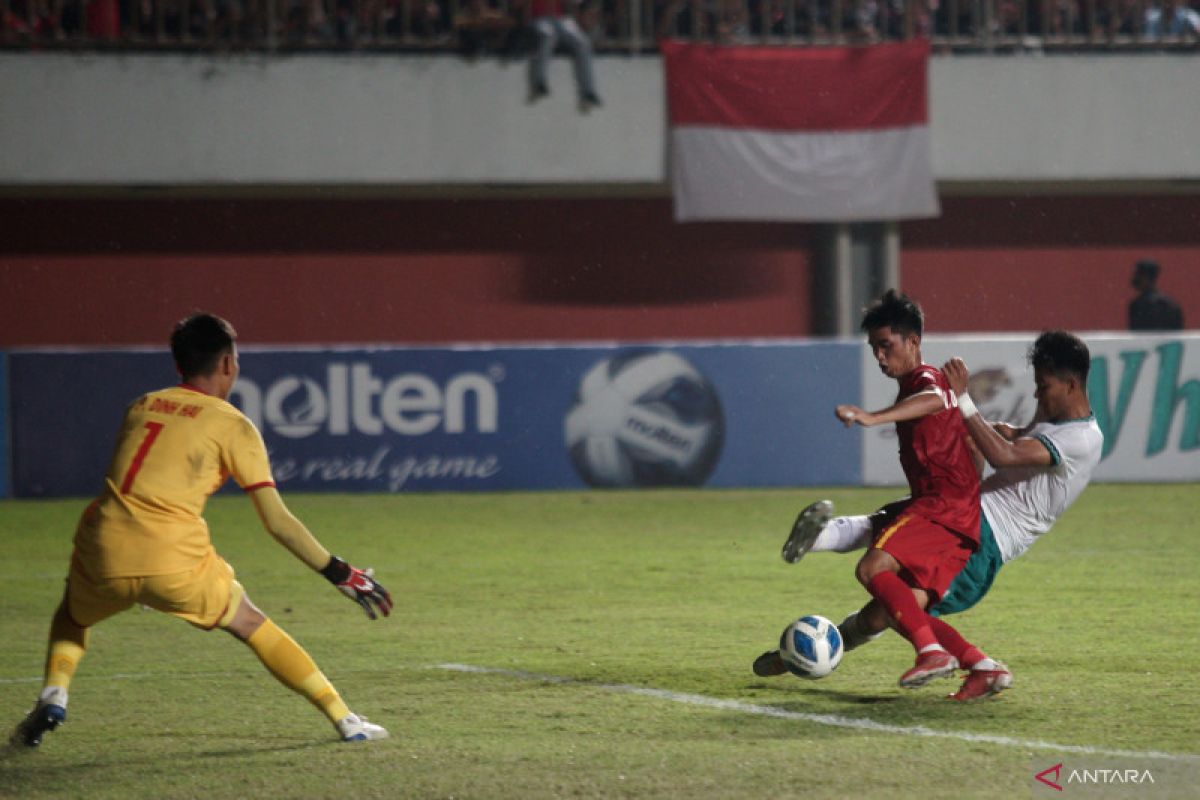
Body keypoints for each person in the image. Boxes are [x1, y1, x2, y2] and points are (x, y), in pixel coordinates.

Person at [11, 313, 394, 748]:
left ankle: (54, 693)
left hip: (103, 547)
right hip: (173, 557)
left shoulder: (141, 405)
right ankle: (346, 720)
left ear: (179, 365)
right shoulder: (232, 425)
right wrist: (339, 572)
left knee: (71, 616)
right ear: (228, 363)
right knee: (252, 623)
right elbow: (277, 522)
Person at [764, 330, 1102, 701]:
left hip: (983, 539)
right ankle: (816, 555)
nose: (1037, 393)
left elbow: (1005, 456)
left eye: (1043, 385)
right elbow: (1018, 439)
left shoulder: (1081, 440)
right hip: (963, 510)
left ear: (1071, 384)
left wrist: (964, 401)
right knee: (890, 576)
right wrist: (991, 429)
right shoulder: (1056, 417)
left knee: (888, 607)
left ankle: (968, 663)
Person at [761, 290, 1001, 695]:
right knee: (895, 606)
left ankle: (931, 653)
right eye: (874, 348)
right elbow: (970, 443)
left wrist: (873, 417)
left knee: (872, 569)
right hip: (951, 509)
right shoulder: (918, 385)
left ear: (913, 342)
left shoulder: (927, 381)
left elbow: (934, 398)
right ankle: (983, 665)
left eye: (886, 346)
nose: (879, 357)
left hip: (942, 507)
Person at [522, 0, 602, 111]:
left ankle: (588, 92)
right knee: (548, 37)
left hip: (559, 22)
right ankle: (539, 82)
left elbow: (575, 5)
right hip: (539, 21)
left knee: (582, 43)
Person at [1128, 259, 1184, 331]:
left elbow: (1137, 336)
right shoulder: (1171, 304)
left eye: (1137, 274)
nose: (1135, 278)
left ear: (1146, 277)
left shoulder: (1138, 305)